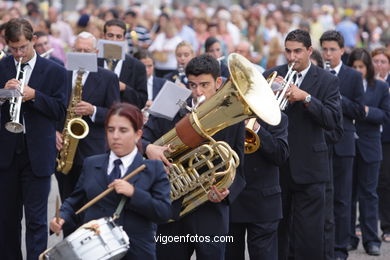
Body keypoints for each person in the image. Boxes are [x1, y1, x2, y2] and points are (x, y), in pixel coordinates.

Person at [142, 54, 246, 260]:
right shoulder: (170, 103)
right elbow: (143, 138)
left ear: (218, 82)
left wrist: (226, 191)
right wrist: (149, 149)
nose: (198, 92)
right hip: (171, 209)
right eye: (192, 85)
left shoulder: (232, 115)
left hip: (210, 210)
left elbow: (239, 168)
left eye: (204, 85)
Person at [50, 103, 171, 259]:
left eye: (123, 130)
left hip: (137, 252)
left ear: (138, 134)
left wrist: (134, 193)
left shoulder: (153, 168)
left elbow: (163, 212)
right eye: (110, 130)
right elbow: (75, 200)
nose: (115, 136)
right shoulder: (91, 163)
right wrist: (61, 217)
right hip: (95, 251)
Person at [263, 29, 342, 260]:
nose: (291, 57)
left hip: (311, 166)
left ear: (309, 51)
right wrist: (268, 93)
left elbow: (332, 120)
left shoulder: (327, 80)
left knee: (310, 234)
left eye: (297, 51)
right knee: (279, 230)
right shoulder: (271, 75)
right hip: (278, 165)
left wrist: (306, 98)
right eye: (288, 51)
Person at [0, 18, 67, 260]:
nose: (18, 54)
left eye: (23, 48)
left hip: (37, 154)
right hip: (7, 153)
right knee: (6, 220)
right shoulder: (2, 67)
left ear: (33, 41)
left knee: (37, 221)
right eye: (13, 49)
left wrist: (34, 95)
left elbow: (60, 110)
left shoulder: (55, 71)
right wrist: (3, 96)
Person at [55, 32, 120, 236]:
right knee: (67, 207)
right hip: (63, 153)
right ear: (72, 51)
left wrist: (93, 110)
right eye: (78, 50)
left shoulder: (109, 77)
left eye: (87, 51)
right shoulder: (60, 75)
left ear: (96, 52)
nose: (82, 54)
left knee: (91, 208)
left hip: (92, 152)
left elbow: (115, 113)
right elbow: (51, 109)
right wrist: (54, 131)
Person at [319, 30, 366, 260]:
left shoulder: (353, 76)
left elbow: (359, 110)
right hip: (319, 143)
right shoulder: (317, 73)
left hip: (344, 144)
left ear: (342, 51)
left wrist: (336, 97)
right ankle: (322, 244)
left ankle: (340, 247)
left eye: (332, 50)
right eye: (324, 49)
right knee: (320, 196)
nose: (328, 54)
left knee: (342, 198)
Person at [225, 114, 289, 260]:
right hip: (232, 197)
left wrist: (257, 128)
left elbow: (280, 155)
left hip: (264, 203)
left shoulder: (276, 117)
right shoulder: (226, 114)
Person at [348, 48, 390, 256]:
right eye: (354, 67)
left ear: (368, 68)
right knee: (347, 195)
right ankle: (348, 237)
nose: (358, 71)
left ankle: (371, 239)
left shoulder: (380, 87)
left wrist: (365, 111)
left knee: (369, 194)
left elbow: (385, 115)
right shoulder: (344, 84)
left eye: (362, 67)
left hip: (370, 147)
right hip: (347, 146)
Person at [98, 19, 147, 109]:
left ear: (124, 39)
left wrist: (125, 88)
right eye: (110, 35)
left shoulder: (137, 66)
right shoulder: (94, 61)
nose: (114, 40)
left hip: (123, 117)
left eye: (119, 36)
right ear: (103, 36)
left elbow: (142, 101)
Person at [372, 48, 390, 243]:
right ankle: (364, 223)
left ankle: (386, 225)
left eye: (383, 61)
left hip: (386, 138)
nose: (379, 65)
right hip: (369, 137)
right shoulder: (368, 83)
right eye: (375, 61)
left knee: (385, 182)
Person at [133, 50, 166, 122]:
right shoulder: (130, 84)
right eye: (143, 66)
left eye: (150, 66)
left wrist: (155, 106)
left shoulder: (163, 84)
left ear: (154, 66)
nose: (146, 70)